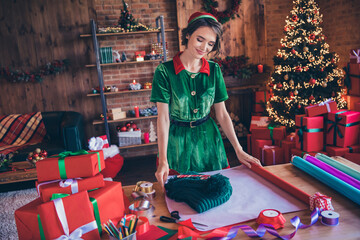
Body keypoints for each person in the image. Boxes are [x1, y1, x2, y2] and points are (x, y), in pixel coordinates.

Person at [150, 12, 261, 187]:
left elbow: (222, 114)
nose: (204, 48)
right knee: (181, 194)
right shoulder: (165, 71)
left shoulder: (214, 70)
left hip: (209, 141)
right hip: (177, 143)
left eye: (210, 43)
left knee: (215, 190)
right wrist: (163, 159)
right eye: (200, 39)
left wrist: (238, 150)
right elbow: (163, 118)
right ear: (188, 35)